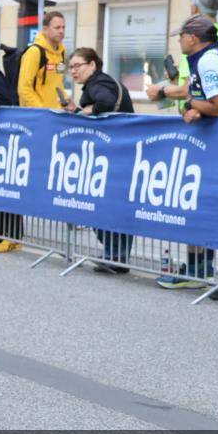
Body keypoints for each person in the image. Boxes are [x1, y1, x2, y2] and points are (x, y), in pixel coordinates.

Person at [157, 14, 218, 300]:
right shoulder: (207, 59)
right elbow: (208, 101)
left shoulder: (210, 60)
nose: (178, 40)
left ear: (193, 37)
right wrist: (194, 109)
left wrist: (191, 103)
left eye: (181, 36)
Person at [0, 9, 67, 254]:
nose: (61, 32)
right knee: (11, 177)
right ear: (46, 28)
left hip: (52, 123)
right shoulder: (34, 53)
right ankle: (2, 231)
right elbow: (24, 89)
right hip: (34, 123)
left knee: (21, 179)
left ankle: (6, 231)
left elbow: (57, 86)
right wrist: (42, 115)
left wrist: (65, 105)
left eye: (63, 27)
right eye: (57, 27)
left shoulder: (61, 53)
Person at [62, 47, 135, 273]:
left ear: (92, 65)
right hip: (112, 152)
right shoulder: (99, 82)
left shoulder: (99, 84)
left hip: (114, 154)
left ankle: (116, 256)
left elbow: (105, 102)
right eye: (70, 68)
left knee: (106, 204)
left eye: (77, 66)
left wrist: (89, 109)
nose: (73, 72)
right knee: (105, 204)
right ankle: (114, 255)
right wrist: (77, 110)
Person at [145, 0, 218, 112]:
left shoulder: (198, 40)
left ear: (194, 8)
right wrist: (178, 78)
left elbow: (189, 88)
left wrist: (160, 91)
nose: (180, 40)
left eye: (181, 36)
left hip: (202, 121)